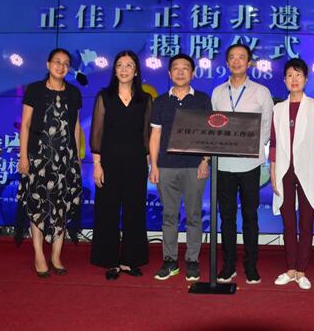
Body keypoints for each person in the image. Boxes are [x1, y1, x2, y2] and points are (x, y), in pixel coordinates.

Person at [16, 48, 83, 278]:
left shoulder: (74, 93)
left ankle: (56, 256)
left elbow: (76, 127)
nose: (61, 66)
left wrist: (77, 158)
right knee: (38, 205)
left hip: (65, 159)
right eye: (57, 62)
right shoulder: (35, 90)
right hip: (38, 158)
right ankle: (39, 256)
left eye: (65, 63)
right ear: (48, 64)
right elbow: (25, 125)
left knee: (61, 206)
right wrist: (23, 156)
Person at [211, 43, 274, 284]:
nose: (237, 61)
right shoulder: (217, 92)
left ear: (249, 63)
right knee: (226, 217)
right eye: (232, 57)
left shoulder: (261, 92)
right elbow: (212, 126)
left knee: (250, 216)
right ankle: (228, 265)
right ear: (227, 63)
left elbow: (267, 125)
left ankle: (251, 265)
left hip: (250, 164)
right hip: (223, 165)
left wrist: (251, 146)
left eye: (241, 57)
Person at [149, 53, 212, 281]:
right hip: (166, 166)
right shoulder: (160, 102)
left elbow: (209, 132)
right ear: (169, 73)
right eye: (176, 68)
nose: (180, 72)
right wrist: (154, 165)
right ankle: (170, 261)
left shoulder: (202, 99)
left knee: (194, 215)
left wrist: (205, 160)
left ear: (192, 73)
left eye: (185, 68)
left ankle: (192, 260)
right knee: (169, 215)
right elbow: (155, 135)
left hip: (194, 166)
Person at [89, 51, 152, 280]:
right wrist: (97, 165)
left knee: (135, 211)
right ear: (114, 70)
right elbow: (96, 134)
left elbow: (146, 136)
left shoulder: (145, 99)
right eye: (119, 65)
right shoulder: (104, 96)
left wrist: (149, 164)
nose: (124, 69)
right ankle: (110, 261)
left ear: (136, 71)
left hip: (136, 163)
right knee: (107, 211)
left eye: (129, 65)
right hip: (109, 163)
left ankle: (130, 260)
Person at [269, 58, 314, 290]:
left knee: (306, 222)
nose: (294, 79)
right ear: (284, 80)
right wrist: (272, 170)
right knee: (288, 223)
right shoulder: (278, 109)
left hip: (306, 170)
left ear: (306, 79)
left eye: (298, 75)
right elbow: (274, 142)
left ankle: (302, 270)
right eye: (289, 75)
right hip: (283, 171)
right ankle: (290, 269)